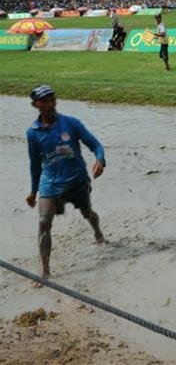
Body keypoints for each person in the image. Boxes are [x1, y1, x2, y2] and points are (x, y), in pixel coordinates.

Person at [25, 85, 107, 287]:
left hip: (77, 180)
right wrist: (33, 191)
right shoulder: (33, 133)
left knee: (87, 213)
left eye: (52, 99)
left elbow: (95, 144)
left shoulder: (71, 124)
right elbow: (35, 164)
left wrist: (100, 160)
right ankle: (45, 271)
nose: (50, 104)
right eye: (44, 101)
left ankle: (98, 232)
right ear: (36, 104)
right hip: (50, 183)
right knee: (44, 222)